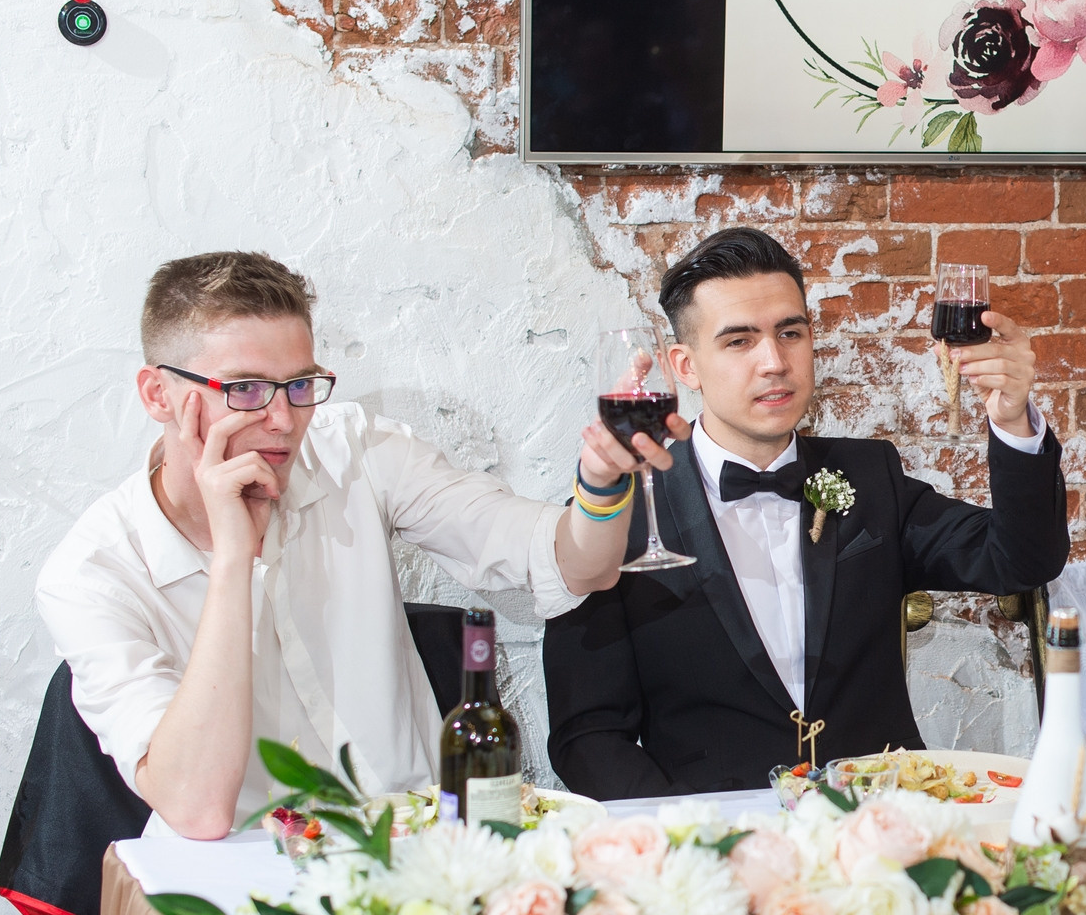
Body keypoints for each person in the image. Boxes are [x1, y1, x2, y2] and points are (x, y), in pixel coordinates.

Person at [36, 252, 673, 840]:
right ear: (158, 395)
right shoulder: (91, 575)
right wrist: (234, 562)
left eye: (300, 385)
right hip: (245, 883)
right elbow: (197, 809)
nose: (283, 421)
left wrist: (600, 481)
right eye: (245, 389)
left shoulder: (354, 450)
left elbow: (575, 564)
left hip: (421, 854)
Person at [542, 228, 1070, 797]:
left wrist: (1013, 423)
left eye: (790, 333)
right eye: (739, 341)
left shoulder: (870, 476)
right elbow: (588, 737)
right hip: (718, 828)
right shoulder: (609, 524)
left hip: (882, 815)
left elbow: (1020, 561)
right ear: (685, 367)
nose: (774, 362)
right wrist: (693, 831)